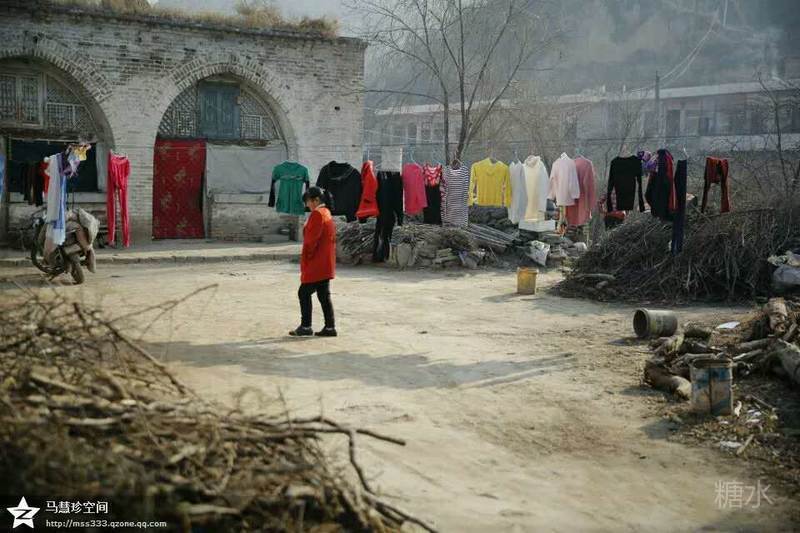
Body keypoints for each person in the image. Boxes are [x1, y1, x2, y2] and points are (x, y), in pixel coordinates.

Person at [290, 187, 337, 337]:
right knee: (323, 295)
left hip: (317, 262)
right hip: (325, 261)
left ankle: (306, 326)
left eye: (308, 201)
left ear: (316, 200)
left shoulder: (317, 214)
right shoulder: (326, 212)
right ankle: (329, 327)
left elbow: (311, 241)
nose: (307, 205)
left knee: (303, 293)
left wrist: (307, 258)